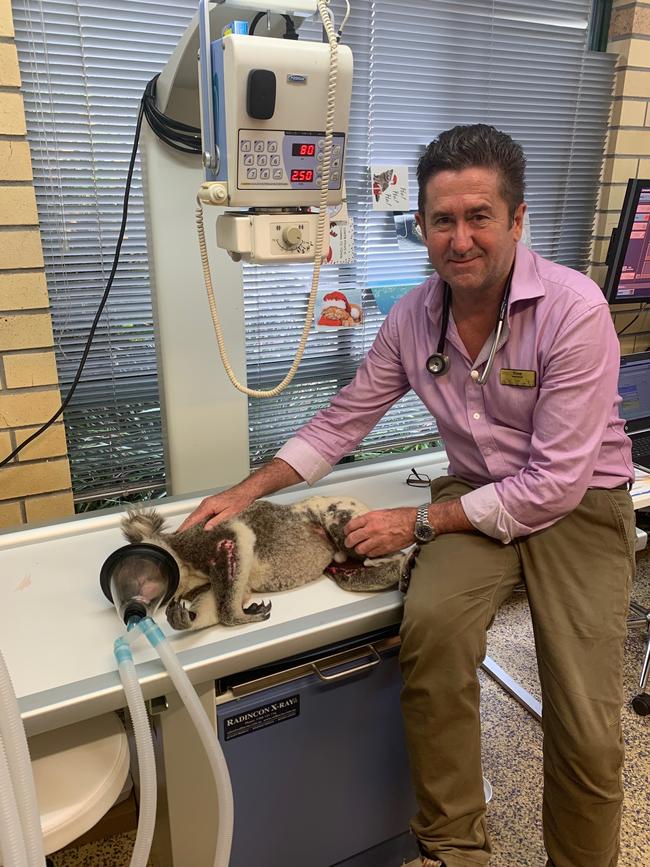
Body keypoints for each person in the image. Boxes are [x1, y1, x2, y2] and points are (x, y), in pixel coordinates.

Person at [179, 124, 635, 867]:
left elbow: (552, 482)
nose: (461, 238)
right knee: (431, 633)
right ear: (420, 225)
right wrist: (247, 487)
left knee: (585, 719)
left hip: (579, 503)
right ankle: (455, 850)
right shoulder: (413, 317)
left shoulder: (572, 311)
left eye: (479, 216)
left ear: (517, 220)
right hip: (479, 493)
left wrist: (416, 521)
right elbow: (342, 420)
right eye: (442, 220)